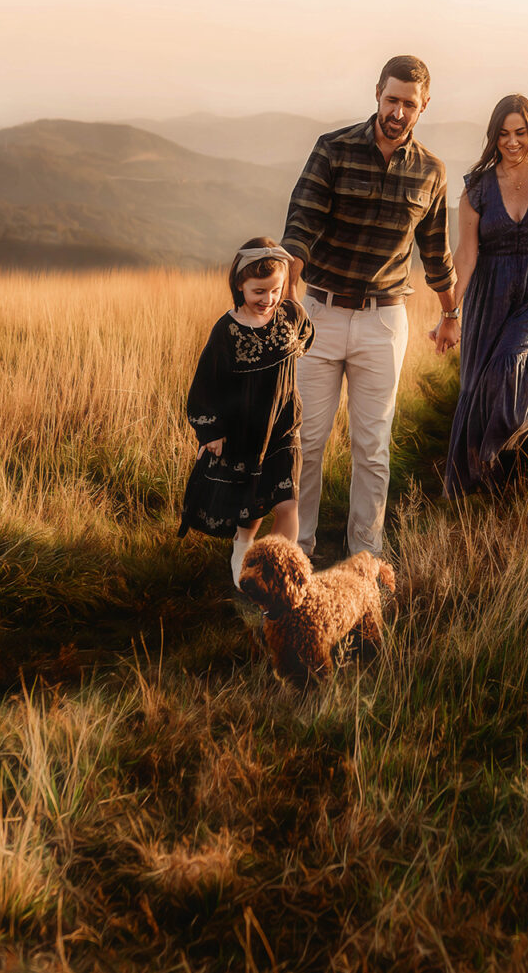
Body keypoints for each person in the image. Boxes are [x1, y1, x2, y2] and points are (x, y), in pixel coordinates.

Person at [281, 55, 460, 559]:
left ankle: (365, 557)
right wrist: (289, 290)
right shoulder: (332, 149)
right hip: (320, 313)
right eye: (391, 100)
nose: (398, 112)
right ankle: (298, 550)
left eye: (409, 104)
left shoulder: (432, 171)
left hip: (384, 321)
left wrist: (450, 315)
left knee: (373, 448)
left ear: (424, 106)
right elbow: (301, 223)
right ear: (376, 93)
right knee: (306, 442)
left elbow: (435, 253)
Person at [443, 94, 528, 497]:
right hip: (490, 300)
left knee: (510, 368)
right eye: (503, 134)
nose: (513, 141)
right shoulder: (478, 188)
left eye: (520, 132)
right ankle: (506, 492)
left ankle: (495, 465)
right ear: (493, 136)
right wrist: (450, 313)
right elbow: (466, 255)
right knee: (481, 387)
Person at [178, 237, 315, 586]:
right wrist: (211, 431)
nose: (267, 300)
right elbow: (205, 385)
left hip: (284, 427)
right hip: (245, 433)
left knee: (287, 502)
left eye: (276, 290)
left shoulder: (290, 314)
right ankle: (244, 545)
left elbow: (306, 336)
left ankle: (278, 576)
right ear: (239, 284)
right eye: (259, 291)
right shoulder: (227, 331)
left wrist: (293, 303)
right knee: (251, 509)